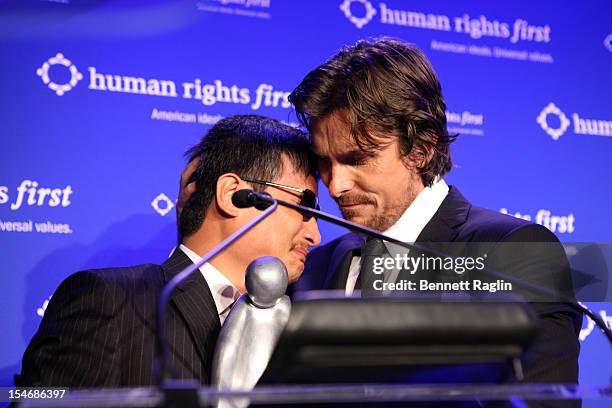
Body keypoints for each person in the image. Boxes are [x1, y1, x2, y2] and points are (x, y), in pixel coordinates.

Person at [287, 37, 581, 391]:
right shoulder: (313, 269)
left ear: (422, 150)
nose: (335, 185)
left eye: (357, 159)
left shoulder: (512, 252)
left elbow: (538, 399)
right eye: (324, 161)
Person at [15, 114, 321, 387]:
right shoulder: (112, 302)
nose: (315, 235)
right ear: (233, 195)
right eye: (304, 207)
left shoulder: (300, 329)